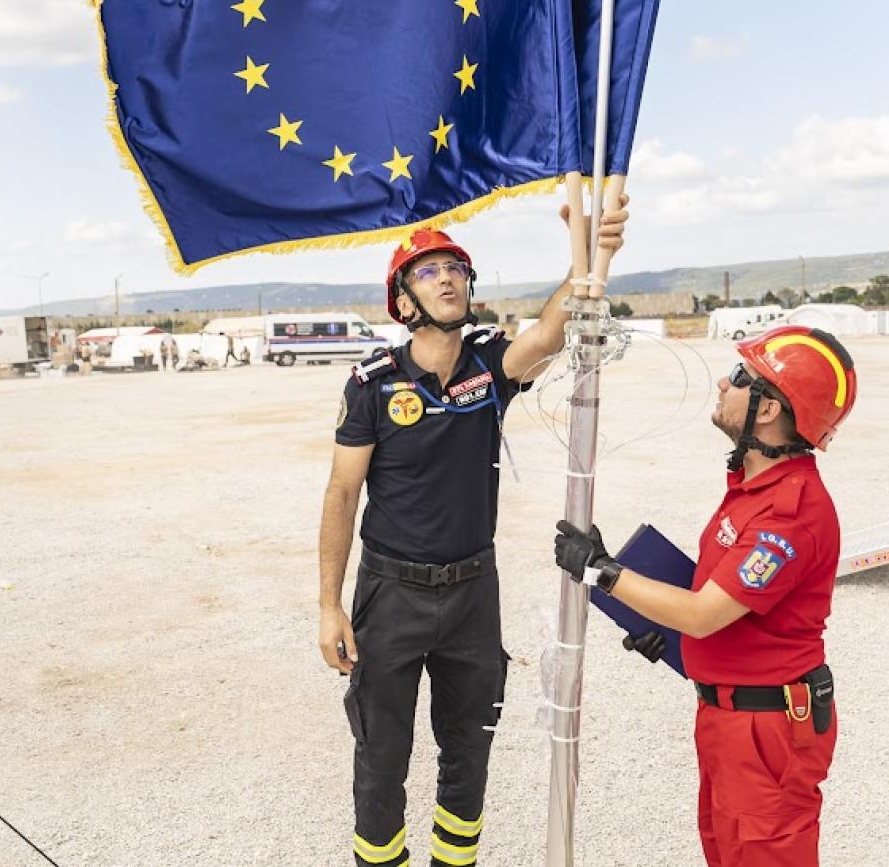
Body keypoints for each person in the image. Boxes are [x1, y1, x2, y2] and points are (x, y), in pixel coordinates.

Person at [318, 201, 628, 867]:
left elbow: (549, 333)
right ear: (404, 300)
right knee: (381, 758)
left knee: (468, 755)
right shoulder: (373, 384)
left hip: (470, 597)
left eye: (455, 268)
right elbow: (343, 494)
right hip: (391, 593)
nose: (448, 279)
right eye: (428, 272)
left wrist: (589, 253)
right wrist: (328, 605)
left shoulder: (489, 367)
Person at [553, 326, 858, 867]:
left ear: (768, 412)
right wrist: (668, 635)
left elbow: (705, 613)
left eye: (742, 377)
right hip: (729, 721)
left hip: (767, 732)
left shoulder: (791, 513)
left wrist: (603, 574)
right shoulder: (752, 487)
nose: (723, 382)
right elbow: (727, 610)